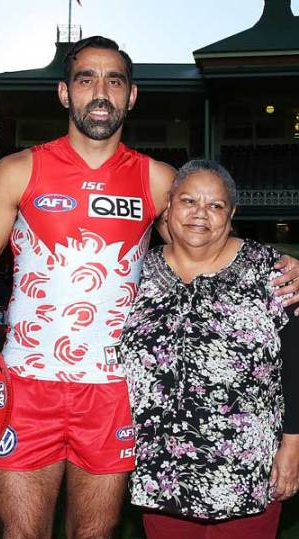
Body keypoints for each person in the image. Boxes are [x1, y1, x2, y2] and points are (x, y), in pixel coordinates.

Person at [0, 38, 297, 539]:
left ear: (132, 98)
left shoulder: (158, 182)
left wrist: (281, 264)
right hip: (25, 386)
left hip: (111, 391)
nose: (100, 91)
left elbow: (210, 244)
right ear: (65, 93)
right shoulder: (18, 172)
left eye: (115, 81)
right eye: (86, 79)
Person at [121, 160, 299, 539]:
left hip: (247, 471)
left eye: (215, 205)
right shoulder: (134, 275)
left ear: (231, 215)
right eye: (188, 201)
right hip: (161, 473)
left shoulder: (273, 273)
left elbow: (296, 366)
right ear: (168, 208)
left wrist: (293, 445)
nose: (200, 213)